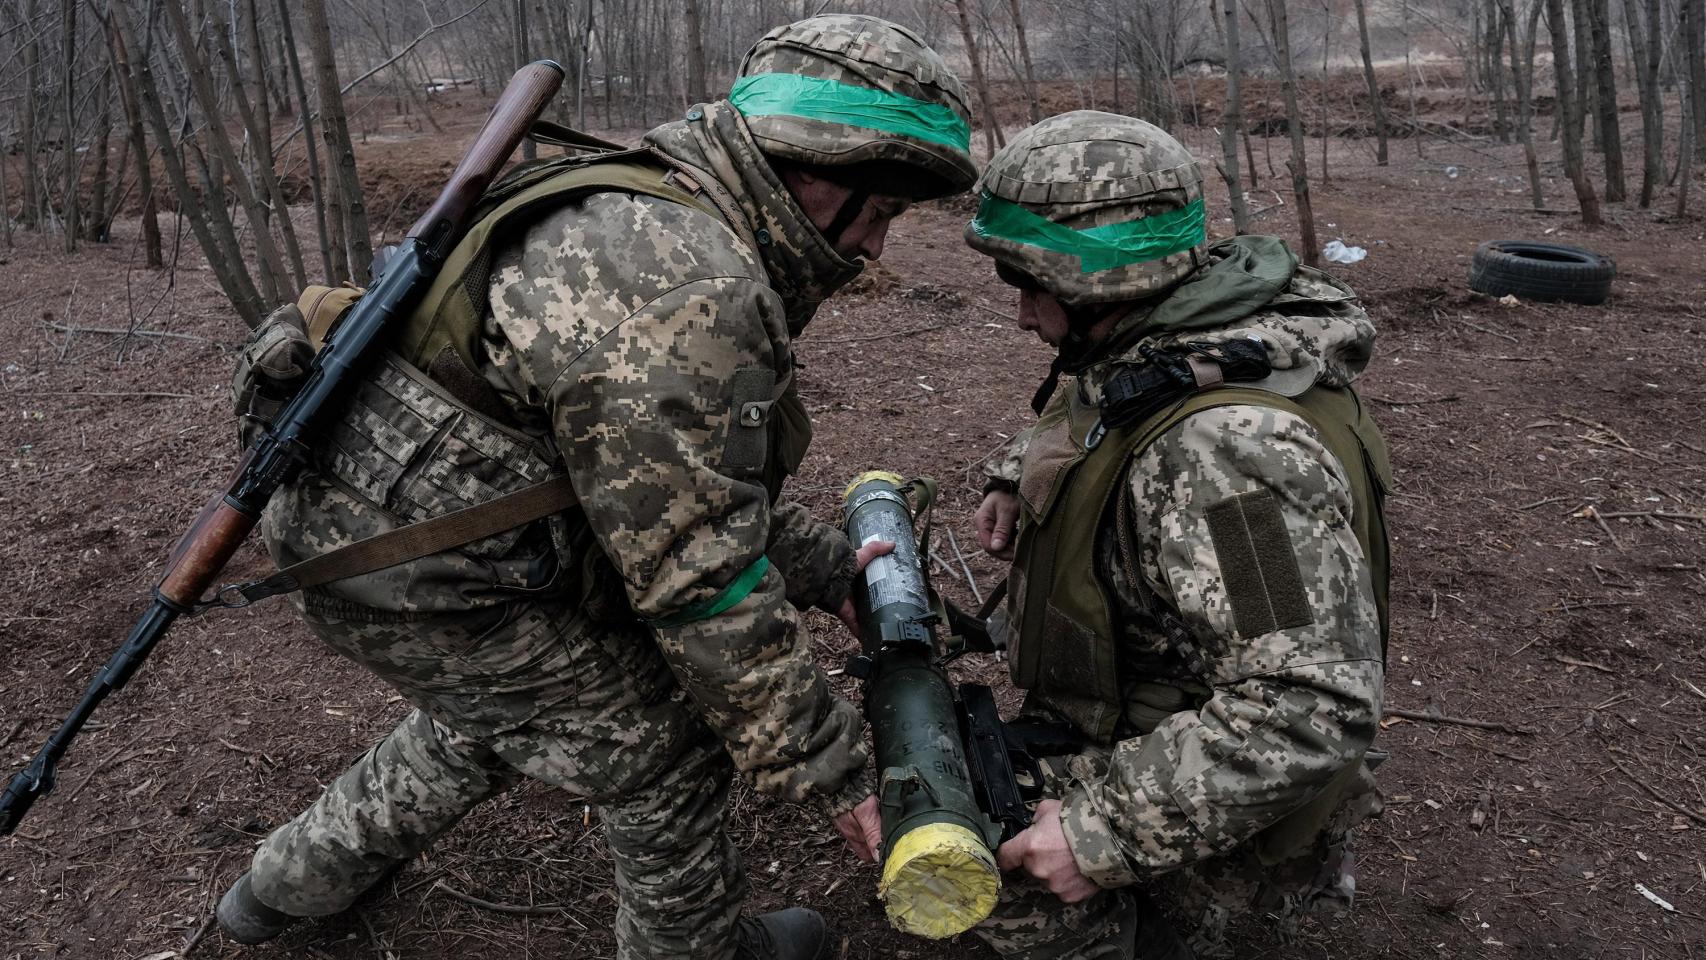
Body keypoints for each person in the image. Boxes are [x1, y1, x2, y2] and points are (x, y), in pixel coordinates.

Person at [215, 16, 977, 960]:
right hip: (428, 576)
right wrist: (836, 777)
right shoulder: (684, 286)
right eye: (883, 213)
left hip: (391, 539)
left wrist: (832, 573)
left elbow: (664, 493)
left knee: (502, 716)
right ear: (824, 172)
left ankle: (279, 891)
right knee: (665, 741)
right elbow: (698, 581)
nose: (875, 246)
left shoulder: (648, 200)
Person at [962, 111, 1392, 959]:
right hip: (1151, 718)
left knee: (947, 845)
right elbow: (1105, 393)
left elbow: (1307, 705)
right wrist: (1023, 470)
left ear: (1098, 283)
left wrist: (1098, 836)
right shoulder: (1191, 325)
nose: (1020, 316)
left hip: (1211, 798)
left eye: (1031, 285)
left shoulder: (1229, 463)